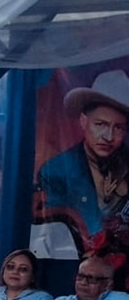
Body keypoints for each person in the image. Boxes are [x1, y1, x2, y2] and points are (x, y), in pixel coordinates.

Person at [36, 70, 129, 256]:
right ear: (83, 122)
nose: (108, 137)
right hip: (74, 268)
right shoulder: (56, 170)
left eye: (118, 127)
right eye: (100, 124)